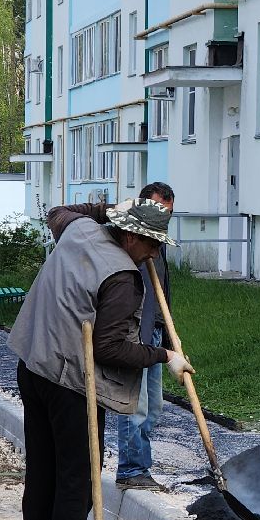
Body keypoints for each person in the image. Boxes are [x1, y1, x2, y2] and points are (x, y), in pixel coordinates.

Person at [8, 197, 193, 520]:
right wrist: (165, 356)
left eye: (159, 245)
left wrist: (107, 208)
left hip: (32, 364)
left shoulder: (77, 229)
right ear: (129, 237)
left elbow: (57, 212)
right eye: (151, 243)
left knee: (43, 465)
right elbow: (109, 350)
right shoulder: (122, 277)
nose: (155, 253)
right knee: (77, 474)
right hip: (71, 382)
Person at [111, 181, 175, 491]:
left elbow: (163, 294)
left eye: (168, 214)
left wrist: (168, 337)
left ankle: (141, 466)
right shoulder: (130, 243)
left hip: (156, 332)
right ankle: (131, 469)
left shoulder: (158, 244)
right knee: (135, 405)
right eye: (159, 211)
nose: (163, 220)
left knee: (154, 407)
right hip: (134, 333)